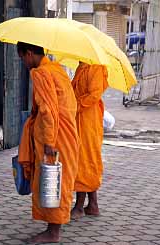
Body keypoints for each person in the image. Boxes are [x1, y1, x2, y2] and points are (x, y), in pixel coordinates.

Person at [17, 42, 79, 243]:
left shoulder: (42, 73)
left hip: (55, 137)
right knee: (60, 181)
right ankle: (53, 228)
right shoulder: (56, 68)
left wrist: (50, 141)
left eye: (22, 58)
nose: (23, 63)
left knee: (53, 182)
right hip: (67, 132)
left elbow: (48, 110)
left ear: (28, 53)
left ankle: (53, 233)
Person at [70, 62, 108, 220]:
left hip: (88, 119)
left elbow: (94, 94)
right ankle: (92, 205)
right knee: (84, 160)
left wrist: (76, 105)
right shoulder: (82, 66)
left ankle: (79, 206)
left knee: (85, 160)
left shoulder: (96, 67)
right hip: (80, 118)